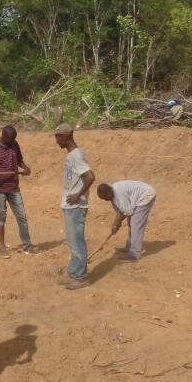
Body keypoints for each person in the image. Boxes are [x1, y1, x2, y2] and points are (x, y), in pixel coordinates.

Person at [0, 125, 34, 258]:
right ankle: (2, 247)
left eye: (13, 139)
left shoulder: (14, 144)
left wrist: (26, 168)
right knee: (2, 216)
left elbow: (19, 161)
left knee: (22, 216)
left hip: (13, 187)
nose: (12, 141)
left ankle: (27, 245)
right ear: (3, 136)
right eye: (10, 139)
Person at [55, 123, 94, 289]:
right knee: (72, 242)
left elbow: (90, 177)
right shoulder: (71, 155)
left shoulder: (76, 155)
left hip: (76, 207)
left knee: (77, 243)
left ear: (67, 137)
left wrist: (78, 196)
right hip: (70, 205)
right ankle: (73, 272)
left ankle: (81, 277)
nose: (57, 141)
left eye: (58, 137)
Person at [96, 181, 156, 261]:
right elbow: (120, 212)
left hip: (146, 195)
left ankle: (134, 254)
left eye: (105, 197)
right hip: (140, 197)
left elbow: (127, 212)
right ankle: (129, 247)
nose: (105, 200)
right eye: (103, 198)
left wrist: (116, 224)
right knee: (131, 223)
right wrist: (116, 224)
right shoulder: (112, 195)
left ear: (109, 191)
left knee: (136, 224)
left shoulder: (119, 194)